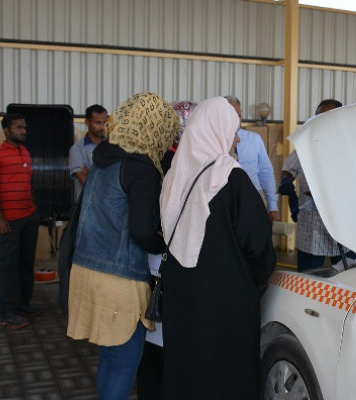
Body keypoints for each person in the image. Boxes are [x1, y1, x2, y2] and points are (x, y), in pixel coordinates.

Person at [160, 96, 276, 399]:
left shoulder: (174, 174)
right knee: (225, 372)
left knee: (186, 367)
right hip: (225, 300)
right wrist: (255, 278)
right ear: (215, 129)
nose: (237, 137)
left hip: (180, 290)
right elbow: (259, 243)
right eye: (233, 128)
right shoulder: (231, 177)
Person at [66, 92, 179, 400]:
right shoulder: (140, 167)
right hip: (118, 278)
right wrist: (164, 242)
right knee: (125, 363)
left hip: (87, 268)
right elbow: (141, 231)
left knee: (109, 358)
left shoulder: (104, 157)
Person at [136, 100, 197, 400]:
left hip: (157, 262)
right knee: (162, 341)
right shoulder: (176, 165)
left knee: (155, 343)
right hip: (167, 263)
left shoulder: (155, 160)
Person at [279, 99, 355, 272]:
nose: (321, 121)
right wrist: (286, 182)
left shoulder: (350, 147)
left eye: (327, 117)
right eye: (318, 117)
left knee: (347, 274)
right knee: (308, 276)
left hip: (342, 222)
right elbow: (289, 168)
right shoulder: (307, 145)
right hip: (310, 220)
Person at [0, 113, 40, 330]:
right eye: (19, 127)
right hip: (9, 221)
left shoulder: (25, 152)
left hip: (29, 217)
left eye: (24, 127)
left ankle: (23, 304)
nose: (23, 131)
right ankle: (7, 312)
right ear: (7, 130)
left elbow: (29, 182)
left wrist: (34, 209)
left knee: (26, 263)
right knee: (8, 266)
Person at [224, 95, 280, 222]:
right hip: (226, 202)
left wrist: (273, 208)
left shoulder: (254, 139)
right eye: (231, 115)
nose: (237, 119)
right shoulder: (213, 142)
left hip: (254, 198)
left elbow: (266, 173)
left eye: (239, 115)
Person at [68, 104, 108, 202]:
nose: (102, 127)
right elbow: (84, 182)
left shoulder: (112, 147)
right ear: (87, 122)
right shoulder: (76, 150)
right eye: (97, 122)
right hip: (87, 208)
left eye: (105, 122)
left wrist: (91, 174)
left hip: (109, 209)